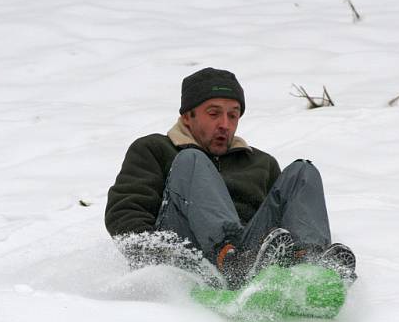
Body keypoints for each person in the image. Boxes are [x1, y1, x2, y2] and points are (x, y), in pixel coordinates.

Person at [105, 67, 356, 288]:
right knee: (192, 159)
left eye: (233, 115)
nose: (225, 124)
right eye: (214, 114)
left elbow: (285, 220)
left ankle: (310, 266)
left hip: (250, 260)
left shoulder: (261, 164)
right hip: (186, 255)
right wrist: (157, 261)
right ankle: (229, 258)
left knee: (303, 172)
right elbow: (126, 213)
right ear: (187, 117)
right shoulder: (155, 149)